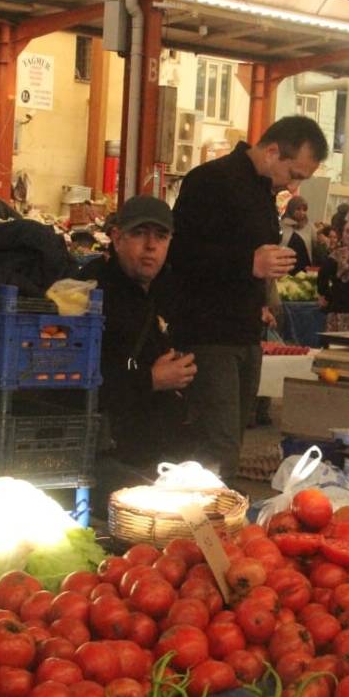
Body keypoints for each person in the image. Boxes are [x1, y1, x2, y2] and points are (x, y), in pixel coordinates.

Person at [168, 115, 328, 479]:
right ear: (272, 151)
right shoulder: (210, 180)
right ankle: (206, 510)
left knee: (232, 440)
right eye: (294, 173)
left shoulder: (264, 193)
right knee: (219, 444)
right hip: (208, 334)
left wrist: (263, 287)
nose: (294, 185)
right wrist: (249, 263)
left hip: (246, 332)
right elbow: (180, 254)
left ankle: (217, 506)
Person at [80, 196, 195, 510]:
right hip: (109, 458)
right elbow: (78, 384)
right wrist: (151, 379)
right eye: (139, 233)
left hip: (163, 454)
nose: (151, 246)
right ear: (117, 238)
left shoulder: (169, 289)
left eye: (161, 236)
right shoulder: (90, 294)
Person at [280, 195, 314, 274]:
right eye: (298, 209)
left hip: (303, 269)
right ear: (291, 209)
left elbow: (314, 247)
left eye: (304, 210)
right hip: (284, 267)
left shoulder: (309, 227)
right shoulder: (281, 225)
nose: (301, 212)